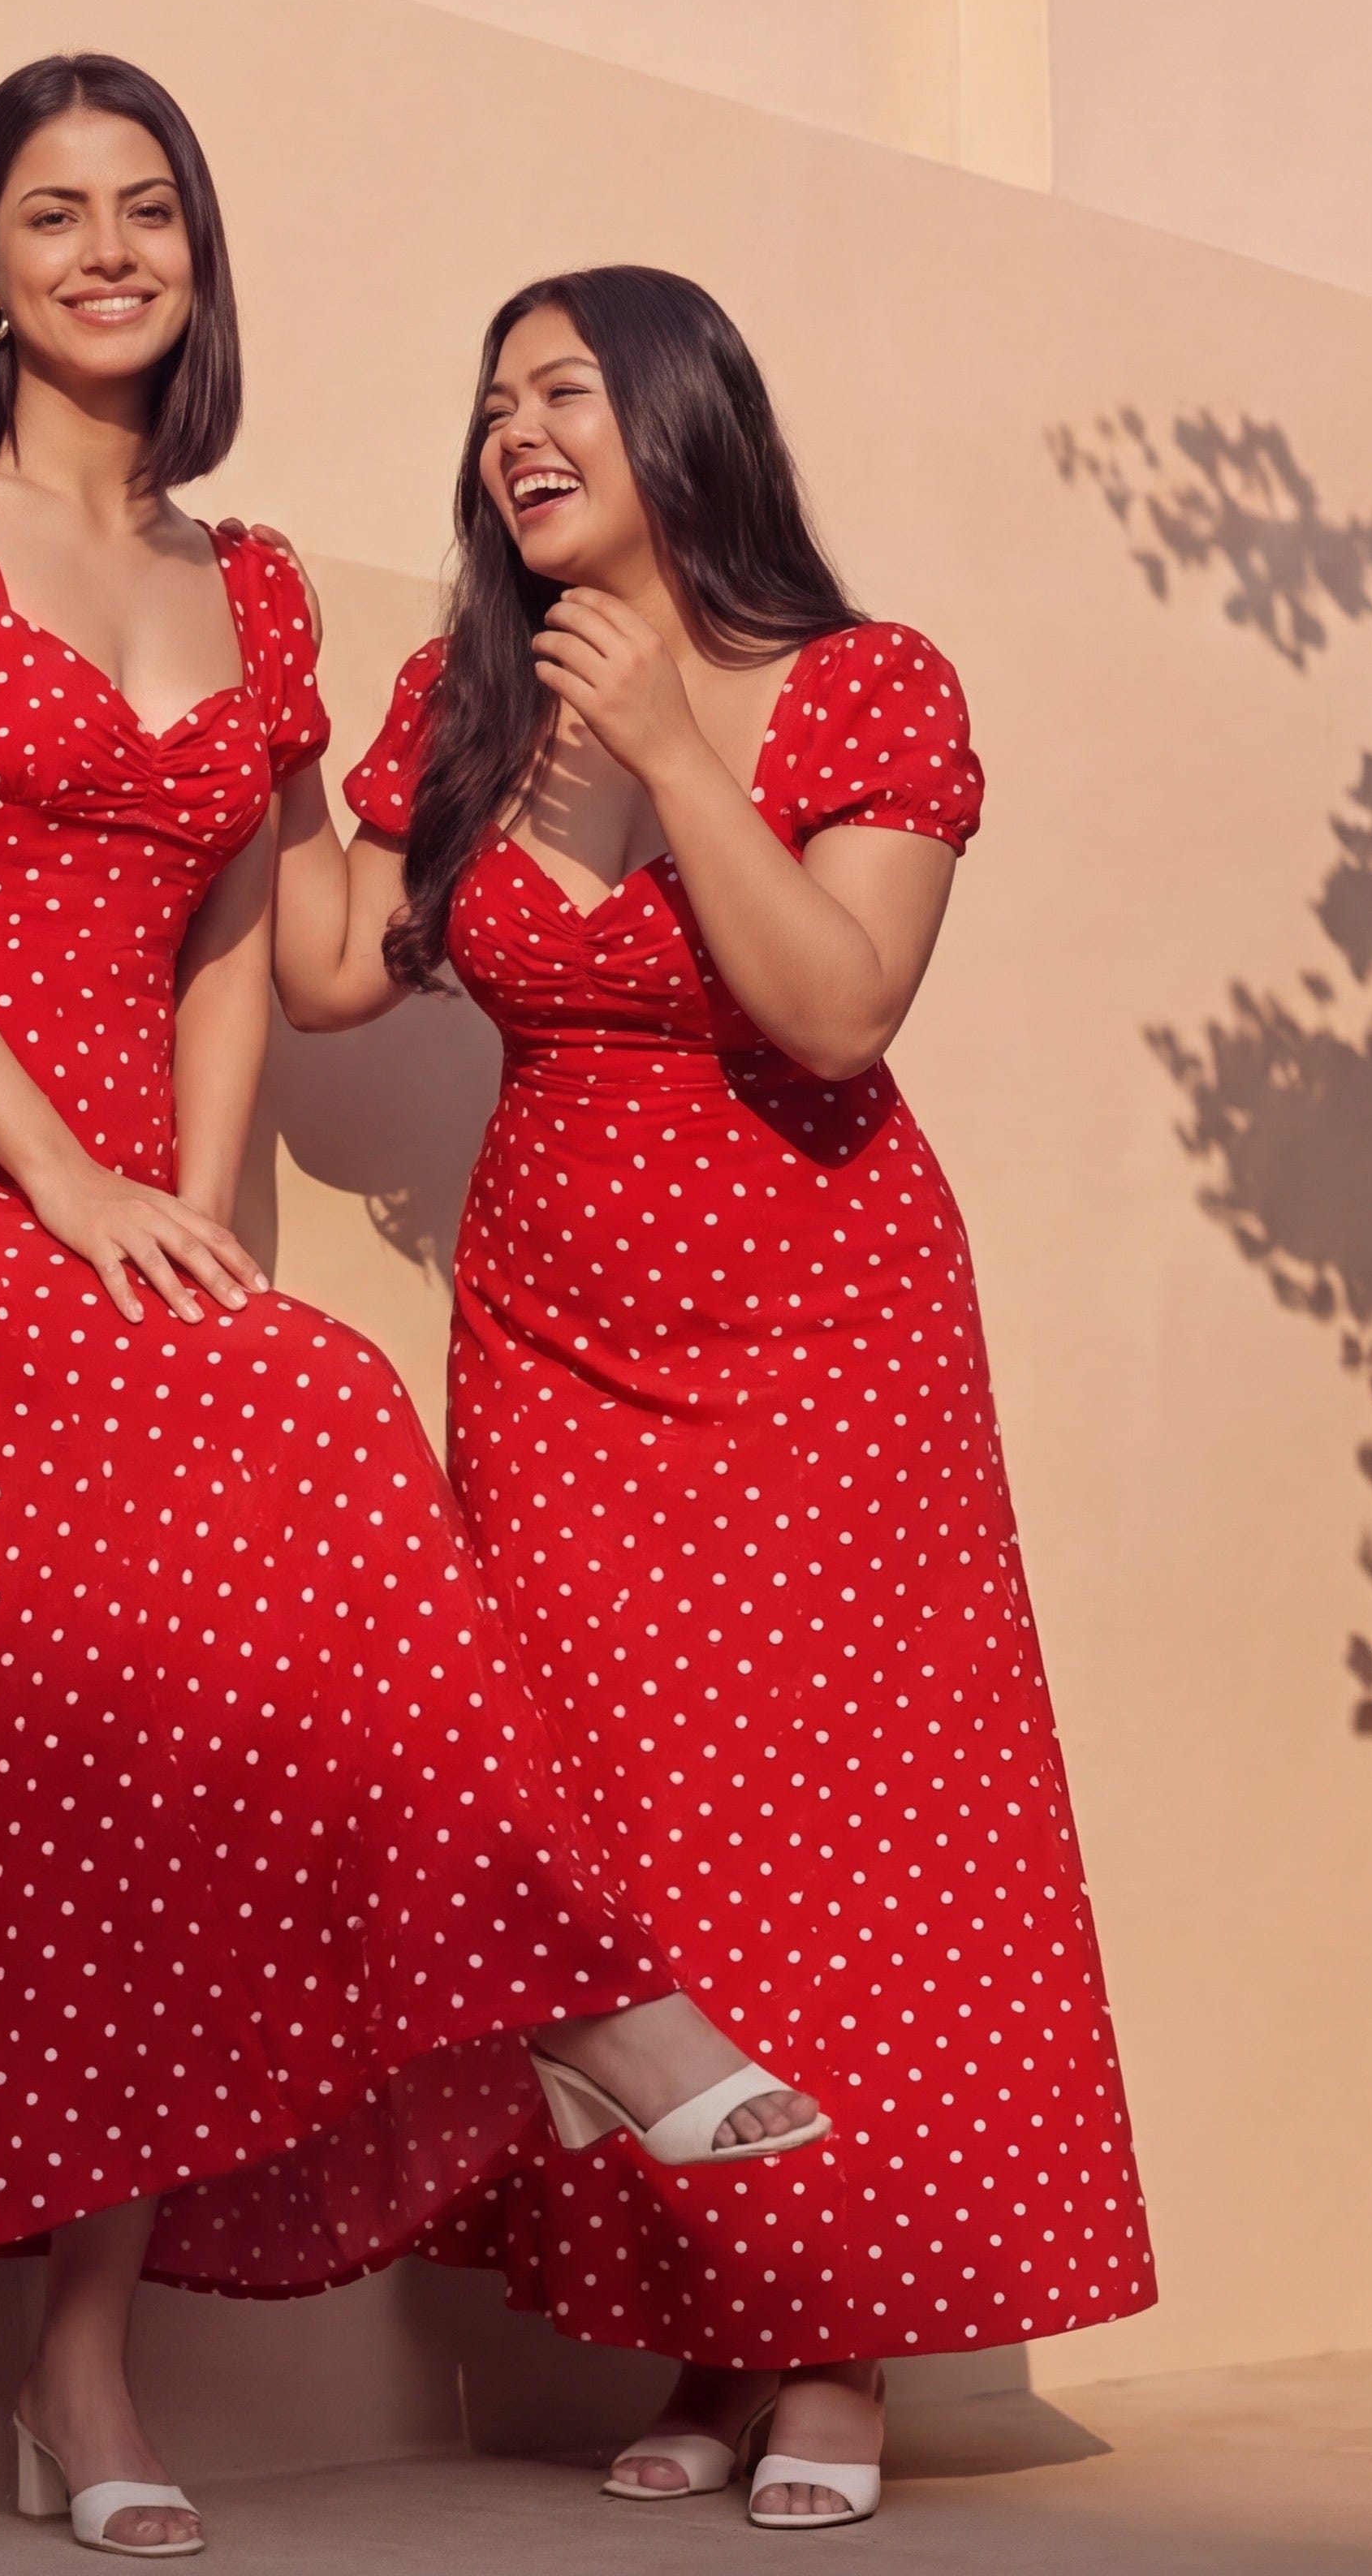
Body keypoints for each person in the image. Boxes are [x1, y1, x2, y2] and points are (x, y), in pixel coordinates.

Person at [0, 88, 827, 2560]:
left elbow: (248, 938)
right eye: (52, 221)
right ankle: (582, 2015)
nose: (110, 254)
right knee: (322, 1410)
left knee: (194, 1693)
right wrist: (67, 1183)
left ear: (196, 267)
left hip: (118, 1197)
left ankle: (85, 2370)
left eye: (151, 217)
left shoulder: (265, 594)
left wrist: (186, 1219)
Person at [271, 267, 1155, 2530]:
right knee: (625, 1836)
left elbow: (839, 1012)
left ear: (685, 418)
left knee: (834, 1834)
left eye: (564, 390)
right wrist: (257, 721)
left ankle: (837, 2351)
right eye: (491, 406)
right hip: (555, 1341)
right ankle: (703, 2320)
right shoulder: (462, 702)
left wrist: (673, 744)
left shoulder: (863, 685)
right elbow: (333, 973)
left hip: (825, 1335)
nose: (515, 434)